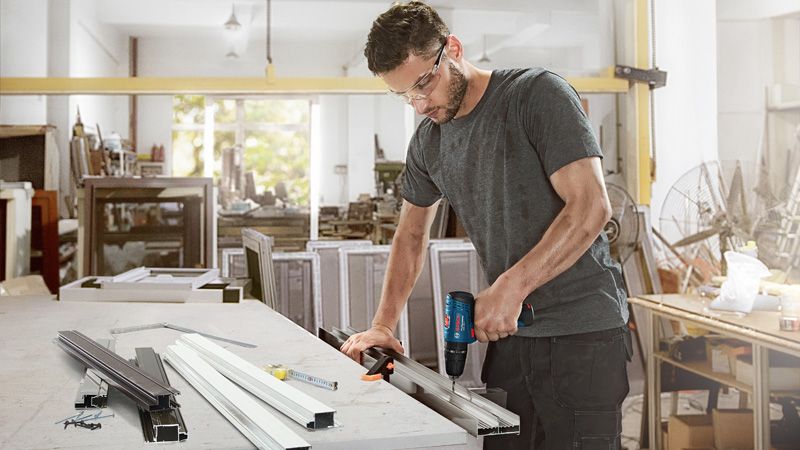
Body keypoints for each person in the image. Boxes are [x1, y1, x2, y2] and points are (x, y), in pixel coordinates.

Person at [340, 2, 631, 448]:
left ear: (452, 49)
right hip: (512, 333)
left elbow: (591, 206)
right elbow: (411, 235)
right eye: (404, 96)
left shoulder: (535, 95)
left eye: (423, 84)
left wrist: (510, 287)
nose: (420, 105)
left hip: (581, 335)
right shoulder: (429, 142)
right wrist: (383, 325)